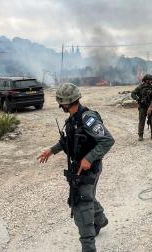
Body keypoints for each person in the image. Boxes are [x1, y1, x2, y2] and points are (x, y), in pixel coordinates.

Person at [37, 83, 115, 252]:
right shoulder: (72, 119)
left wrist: (89, 158)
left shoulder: (88, 118)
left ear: (65, 103)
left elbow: (108, 140)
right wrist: (51, 151)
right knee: (87, 196)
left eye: (61, 103)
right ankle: (100, 220)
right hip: (78, 168)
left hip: (89, 167)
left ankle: (88, 247)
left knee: (81, 205)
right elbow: (67, 141)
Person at [131, 74, 152, 141]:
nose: (150, 81)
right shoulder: (140, 87)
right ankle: (140, 136)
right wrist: (138, 99)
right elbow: (133, 94)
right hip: (142, 107)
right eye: (149, 80)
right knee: (142, 121)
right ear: (145, 80)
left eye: (151, 80)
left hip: (150, 106)